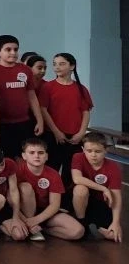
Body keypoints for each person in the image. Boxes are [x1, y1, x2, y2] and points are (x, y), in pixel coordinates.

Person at [0, 35, 44, 158]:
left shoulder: (25, 70)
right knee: (5, 159)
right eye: (8, 49)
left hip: (23, 123)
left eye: (16, 49)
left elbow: (32, 96)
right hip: (0, 125)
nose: (13, 53)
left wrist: (39, 120)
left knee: (24, 158)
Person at [39, 53, 93, 187]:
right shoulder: (48, 87)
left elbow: (85, 112)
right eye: (55, 64)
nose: (57, 67)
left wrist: (81, 133)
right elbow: (43, 110)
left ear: (72, 66)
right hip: (53, 136)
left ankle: (67, 199)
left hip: (75, 137)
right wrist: (56, 132)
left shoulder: (81, 89)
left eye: (62, 64)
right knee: (51, 169)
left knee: (70, 172)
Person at [17, 138, 84, 241]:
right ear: (24, 156)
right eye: (32, 152)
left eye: (41, 153)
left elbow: (55, 205)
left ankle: (43, 230)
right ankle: (31, 227)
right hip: (24, 212)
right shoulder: (17, 171)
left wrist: (36, 220)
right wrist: (25, 220)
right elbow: (11, 201)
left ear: (46, 156)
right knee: (25, 187)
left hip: (46, 212)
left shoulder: (53, 174)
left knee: (78, 231)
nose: (36, 156)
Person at [70, 132, 122, 242]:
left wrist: (116, 222)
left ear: (106, 150)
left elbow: (116, 196)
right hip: (79, 199)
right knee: (80, 189)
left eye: (98, 151)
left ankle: (95, 223)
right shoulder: (78, 157)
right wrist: (103, 188)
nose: (93, 155)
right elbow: (77, 179)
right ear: (83, 149)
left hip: (98, 203)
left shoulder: (113, 167)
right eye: (89, 151)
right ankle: (82, 223)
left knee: (112, 236)